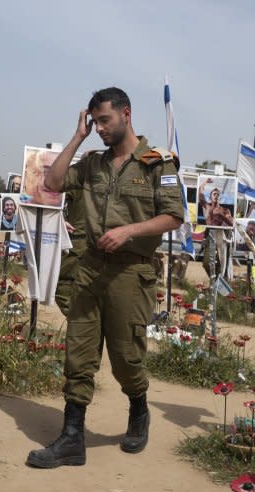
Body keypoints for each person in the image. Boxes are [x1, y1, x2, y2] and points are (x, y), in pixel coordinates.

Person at [26, 87, 183, 468]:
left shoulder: (155, 163)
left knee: (127, 357)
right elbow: (53, 183)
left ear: (126, 115)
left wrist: (129, 231)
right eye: (94, 122)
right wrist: (77, 137)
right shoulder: (93, 162)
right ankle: (72, 437)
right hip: (89, 268)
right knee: (78, 354)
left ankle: (139, 409)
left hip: (131, 272)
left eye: (104, 121)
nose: (98, 128)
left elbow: (174, 216)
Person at [54, 188, 86, 316]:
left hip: (80, 241)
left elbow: (48, 195)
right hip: (114, 242)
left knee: (63, 285)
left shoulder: (80, 174)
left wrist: (58, 220)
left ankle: (80, 327)